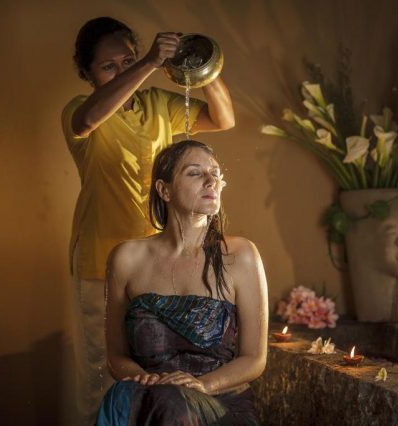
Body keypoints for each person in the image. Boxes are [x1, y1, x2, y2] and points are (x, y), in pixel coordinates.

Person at [61, 17, 235, 423]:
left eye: (128, 60)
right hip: (100, 261)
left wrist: (202, 65)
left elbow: (223, 118)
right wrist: (147, 63)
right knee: (102, 375)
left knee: (155, 373)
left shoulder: (157, 102)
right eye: (108, 67)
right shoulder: (80, 111)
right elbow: (86, 121)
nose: (121, 70)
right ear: (88, 74)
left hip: (158, 261)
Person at [97, 140, 268, 425]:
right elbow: (116, 356)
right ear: (164, 190)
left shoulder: (241, 255)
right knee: (124, 396)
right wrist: (145, 380)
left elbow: (254, 359)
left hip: (220, 405)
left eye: (215, 173)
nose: (211, 181)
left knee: (171, 402)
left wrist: (202, 385)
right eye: (195, 173)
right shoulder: (125, 258)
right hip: (152, 401)